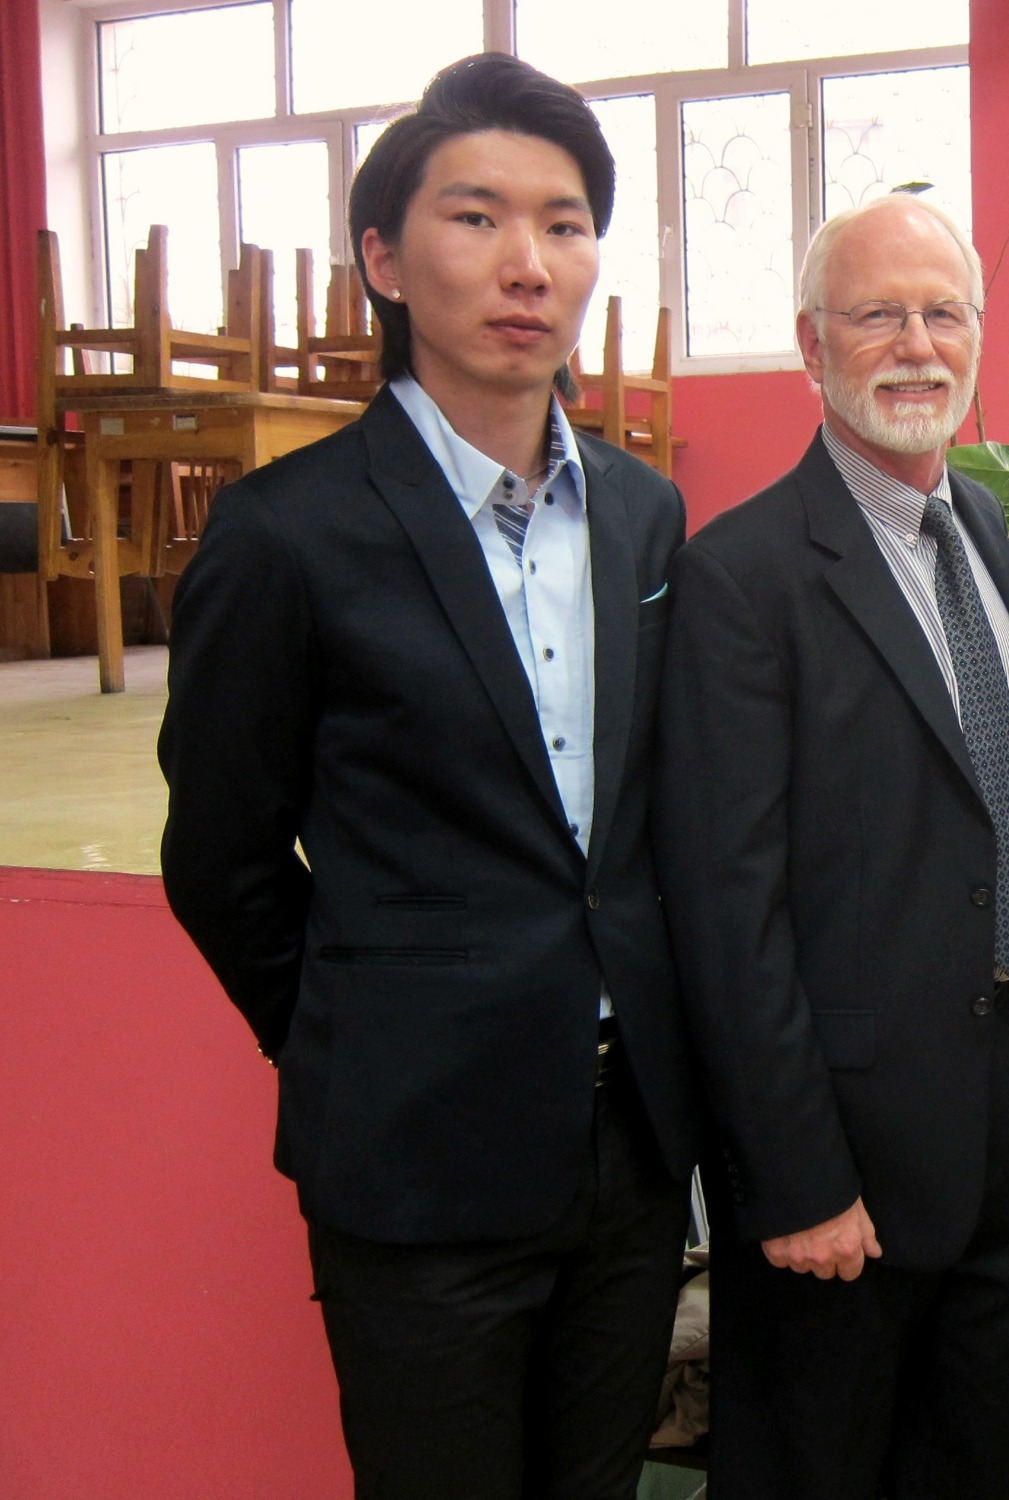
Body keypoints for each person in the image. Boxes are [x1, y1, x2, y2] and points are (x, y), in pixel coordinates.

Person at [157, 54, 697, 1500]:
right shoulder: (286, 534)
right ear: (385, 261)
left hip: (631, 1145)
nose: (529, 263)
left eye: (565, 223)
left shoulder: (644, 516)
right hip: (416, 1151)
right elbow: (219, 856)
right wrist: (357, 1036)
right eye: (476, 218)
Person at [658, 192, 1009, 1500]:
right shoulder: (741, 579)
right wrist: (795, 1178)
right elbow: (726, 913)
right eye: (878, 315)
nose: (917, 346)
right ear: (812, 345)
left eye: (944, 314)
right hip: (845, 1171)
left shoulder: (991, 539)